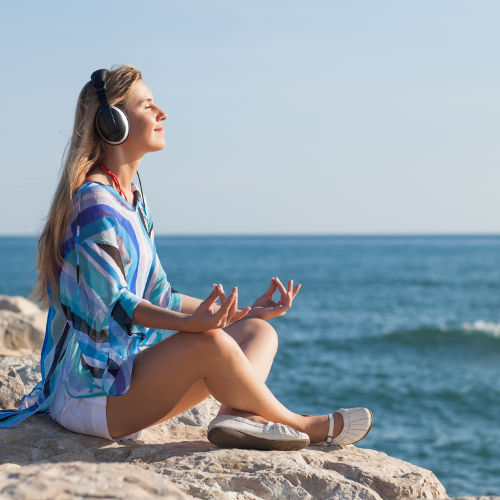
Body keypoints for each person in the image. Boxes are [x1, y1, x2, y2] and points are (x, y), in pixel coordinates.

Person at [0, 65, 373, 450]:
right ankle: (303, 424)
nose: (163, 114)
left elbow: (161, 295)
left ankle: (235, 416)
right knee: (208, 343)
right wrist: (192, 325)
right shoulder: (94, 204)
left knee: (258, 333)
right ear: (113, 125)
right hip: (88, 396)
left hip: (119, 386)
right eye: (148, 106)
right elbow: (115, 305)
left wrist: (240, 313)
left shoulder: (131, 202)